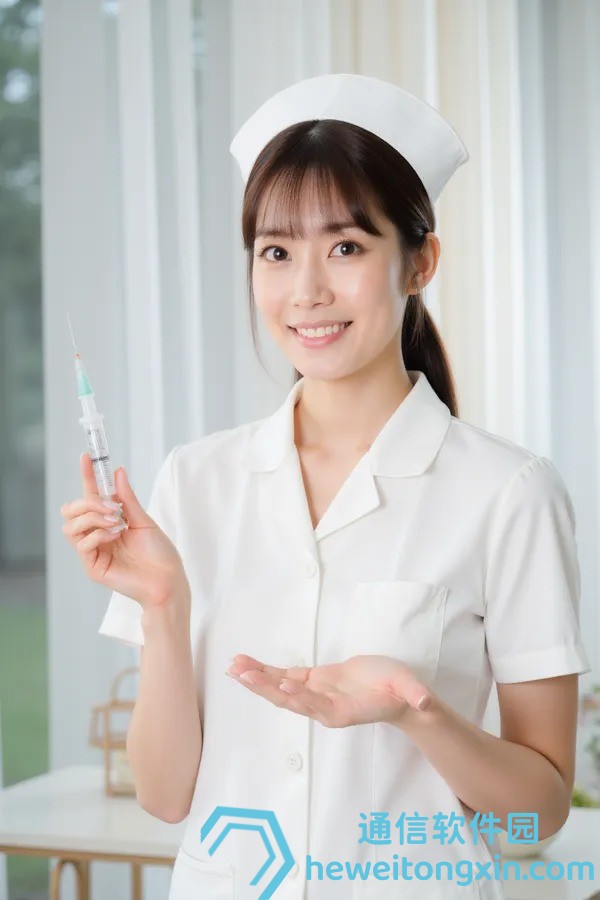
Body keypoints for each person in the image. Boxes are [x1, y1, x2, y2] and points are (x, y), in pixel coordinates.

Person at [61, 74, 591, 900]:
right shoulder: (195, 482)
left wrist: (416, 713)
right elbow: (165, 797)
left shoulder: (509, 492)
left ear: (420, 262)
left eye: (346, 247)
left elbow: (542, 811)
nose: (306, 290)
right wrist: (164, 609)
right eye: (276, 252)